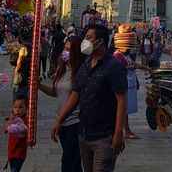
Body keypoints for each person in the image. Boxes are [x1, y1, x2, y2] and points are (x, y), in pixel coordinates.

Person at [51, 24, 126, 172]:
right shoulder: (85, 64)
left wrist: (118, 133)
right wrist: (60, 119)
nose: (85, 41)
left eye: (89, 38)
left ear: (100, 42)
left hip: (104, 136)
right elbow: (75, 93)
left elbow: (121, 100)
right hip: (84, 133)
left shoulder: (113, 66)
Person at [39, 37, 84, 172]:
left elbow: (75, 98)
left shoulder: (80, 72)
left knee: (69, 161)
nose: (65, 52)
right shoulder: (63, 69)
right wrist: (39, 86)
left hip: (75, 122)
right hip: (62, 122)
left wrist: (59, 120)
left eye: (69, 49)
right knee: (72, 163)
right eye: (65, 48)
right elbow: (55, 92)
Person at [5, 97, 28, 172]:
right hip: (11, 151)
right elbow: (6, 129)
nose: (17, 110)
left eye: (21, 107)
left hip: (19, 153)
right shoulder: (13, 119)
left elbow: (23, 130)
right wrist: (10, 120)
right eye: (15, 107)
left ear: (26, 108)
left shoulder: (25, 120)